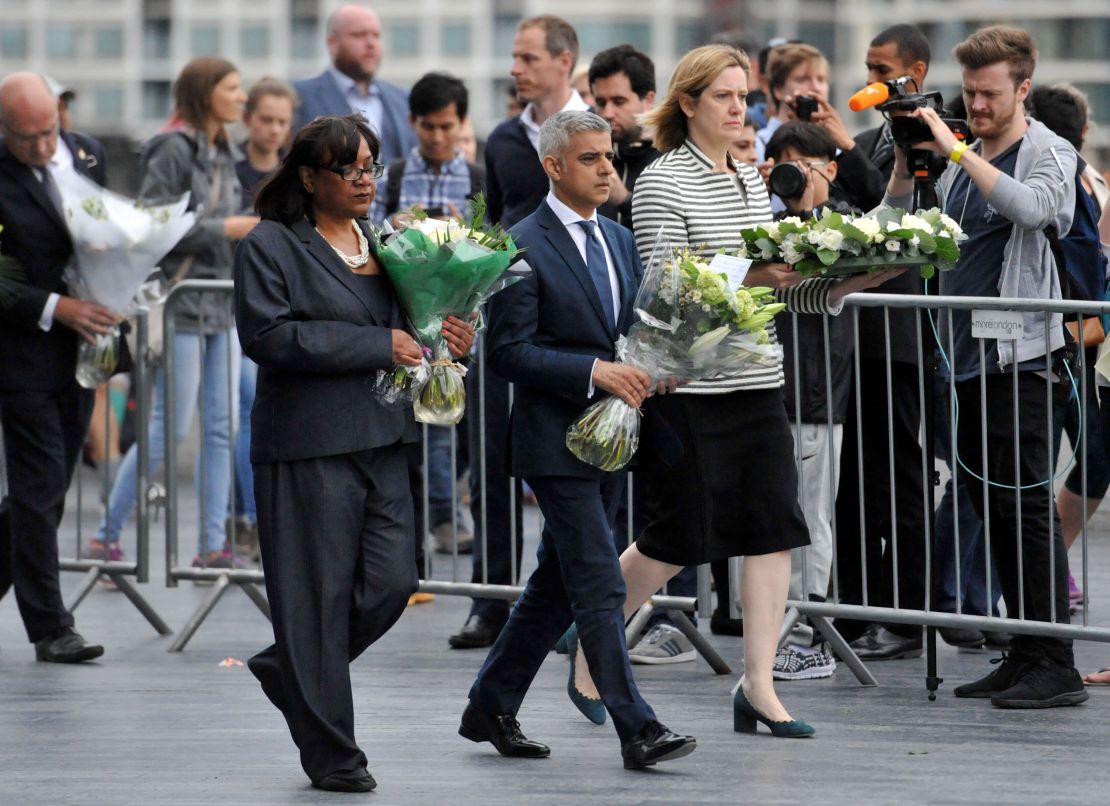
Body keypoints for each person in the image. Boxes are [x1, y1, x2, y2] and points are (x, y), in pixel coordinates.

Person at [566, 44, 902, 737]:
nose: (738, 108)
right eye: (722, 95)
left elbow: (790, 295)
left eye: (742, 96)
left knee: (773, 532)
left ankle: (759, 688)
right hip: (687, 387)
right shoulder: (662, 181)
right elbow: (662, 290)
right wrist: (755, 276)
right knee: (673, 539)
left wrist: (867, 273)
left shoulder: (753, 182)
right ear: (687, 103)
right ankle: (592, 647)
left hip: (757, 383)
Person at [236, 113, 474, 791]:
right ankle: (334, 754)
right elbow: (271, 336)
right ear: (309, 178)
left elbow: (416, 328)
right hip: (307, 445)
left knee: (392, 582)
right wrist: (379, 346)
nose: (366, 179)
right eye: (351, 169)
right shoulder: (271, 246)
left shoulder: (388, 241)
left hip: (386, 435)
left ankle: (292, 669)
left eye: (372, 166)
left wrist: (451, 334)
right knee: (315, 599)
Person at [460, 110, 696, 770]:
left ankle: (490, 704)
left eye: (609, 157)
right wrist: (594, 372)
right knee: (598, 580)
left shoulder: (620, 240)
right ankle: (636, 726)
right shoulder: (519, 242)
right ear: (553, 167)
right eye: (590, 159)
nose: (606, 169)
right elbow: (508, 353)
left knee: (556, 587)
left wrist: (657, 366)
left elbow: (629, 331)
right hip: (552, 442)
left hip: (614, 440)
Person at [887, 25, 1087, 708]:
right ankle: (1023, 650)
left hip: (1023, 358)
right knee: (994, 507)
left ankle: (1054, 660)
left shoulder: (1048, 151)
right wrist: (915, 161)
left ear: (1022, 89)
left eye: (989, 93)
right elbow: (921, 229)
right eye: (968, 92)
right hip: (968, 361)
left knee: (1027, 507)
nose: (974, 104)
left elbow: (1036, 210)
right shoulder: (967, 151)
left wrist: (954, 152)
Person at [449, 14, 589, 650]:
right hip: (509, 316)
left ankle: (564, 595)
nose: (516, 68)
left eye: (528, 57)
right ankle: (491, 595)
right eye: (514, 57)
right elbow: (499, 220)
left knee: (573, 466)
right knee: (491, 460)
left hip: (579, 323)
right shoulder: (505, 138)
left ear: (564, 61)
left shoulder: (596, 135)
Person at [85, 58, 259, 570]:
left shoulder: (224, 147)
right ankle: (105, 534)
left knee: (221, 426)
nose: (241, 97)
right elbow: (152, 224)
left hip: (219, 303)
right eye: (232, 88)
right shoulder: (172, 146)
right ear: (207, 94)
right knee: (167, 427)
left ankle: (211, 547)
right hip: (182, 301)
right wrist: (226, 229)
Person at [588, 43, 699, 665]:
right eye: (598, 101)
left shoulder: (659, 166)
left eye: (618, 101)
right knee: (628, 496)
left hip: (664, 352)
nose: (607, 113)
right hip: (618, 352)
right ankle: (603, 615)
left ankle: (663, 616)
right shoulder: (608, 165)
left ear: (650, 100)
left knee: (670, 492)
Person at [832, 23, 940, 656]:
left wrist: (847, 157)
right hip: (854, 331)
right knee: (854, 477)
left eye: (883, 67)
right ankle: (858, 605)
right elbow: (856, 216)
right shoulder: (873, 138)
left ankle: (906, 613)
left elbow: (905, 222)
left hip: (901, 335)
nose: (871, 78)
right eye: (868, 66)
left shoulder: (936, 139)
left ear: (915, 73)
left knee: (898, 475)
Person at [0, 72, 110, 663]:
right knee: (39, 489)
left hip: (83, 352)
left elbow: (106, 230)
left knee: (44, 491)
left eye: (49, 131)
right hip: (22, 354)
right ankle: (50, 627)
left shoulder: (86, 151)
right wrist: (53, 306)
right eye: (26, 139)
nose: (43, 147)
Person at [370, 71, 483, 556]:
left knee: (449, 425)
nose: (438, 137)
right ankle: (424, 523)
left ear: (461, 123)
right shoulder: (393, 175)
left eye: (447, 126)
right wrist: (394, 228)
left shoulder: (477, 178)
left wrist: (465, 237)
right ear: (412, 122)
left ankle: (440, 514)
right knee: (410, 427)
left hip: (460, 327)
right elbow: (367, 233)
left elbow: (496, 242)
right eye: (428, 127)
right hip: (408, 324)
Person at [765, 121, 856, 680]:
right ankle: (771, 633)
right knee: (775, 518)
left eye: (805, 162)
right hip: (767, 392)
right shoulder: (761, 231)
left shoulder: (848, 229)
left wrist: (811, 208)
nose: (794, 173)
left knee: (812, 518)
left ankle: (805, 633)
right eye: (783, 162)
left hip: (817, 396)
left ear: (832, 167)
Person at [1027, 82, 1110, 612]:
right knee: (1022, 473)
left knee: (1093, 461)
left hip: (1079, 347)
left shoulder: (1091, 182)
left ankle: (1043, 571)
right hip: (1070, 348)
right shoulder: (1080, 180)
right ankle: (1031, 578)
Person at [229, 77, 298, 562]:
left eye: (282, 121)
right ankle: (245, 517)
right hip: (226, 303)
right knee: (234, 416)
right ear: (248, 119)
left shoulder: (293, 176)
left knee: (249, 410)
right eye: (266, 119)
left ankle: (253, 514)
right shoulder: (229, 170)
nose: (274, 129)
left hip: (274, 305)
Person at [291, 4, 416, 166]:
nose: (371, 43)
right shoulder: (298, 96)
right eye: (359, 35)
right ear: (332, 42)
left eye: (376, 35)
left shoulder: (403, 99)